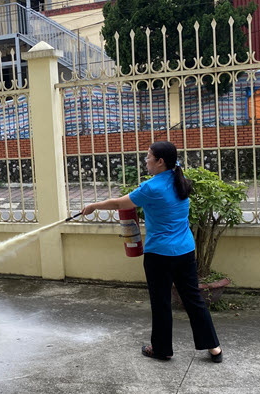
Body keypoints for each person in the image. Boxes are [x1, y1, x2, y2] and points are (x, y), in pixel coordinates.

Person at [81, 141, 222, 363]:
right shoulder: (181, 182)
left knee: (162, 302)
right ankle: (214, 347)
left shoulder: (151, 187)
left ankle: (162, 349)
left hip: (160, 255)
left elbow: (120, 204)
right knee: (193, 299)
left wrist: (93, 207)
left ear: (160, 161)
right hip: (185, 250)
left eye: (148, 156)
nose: (145, 160)